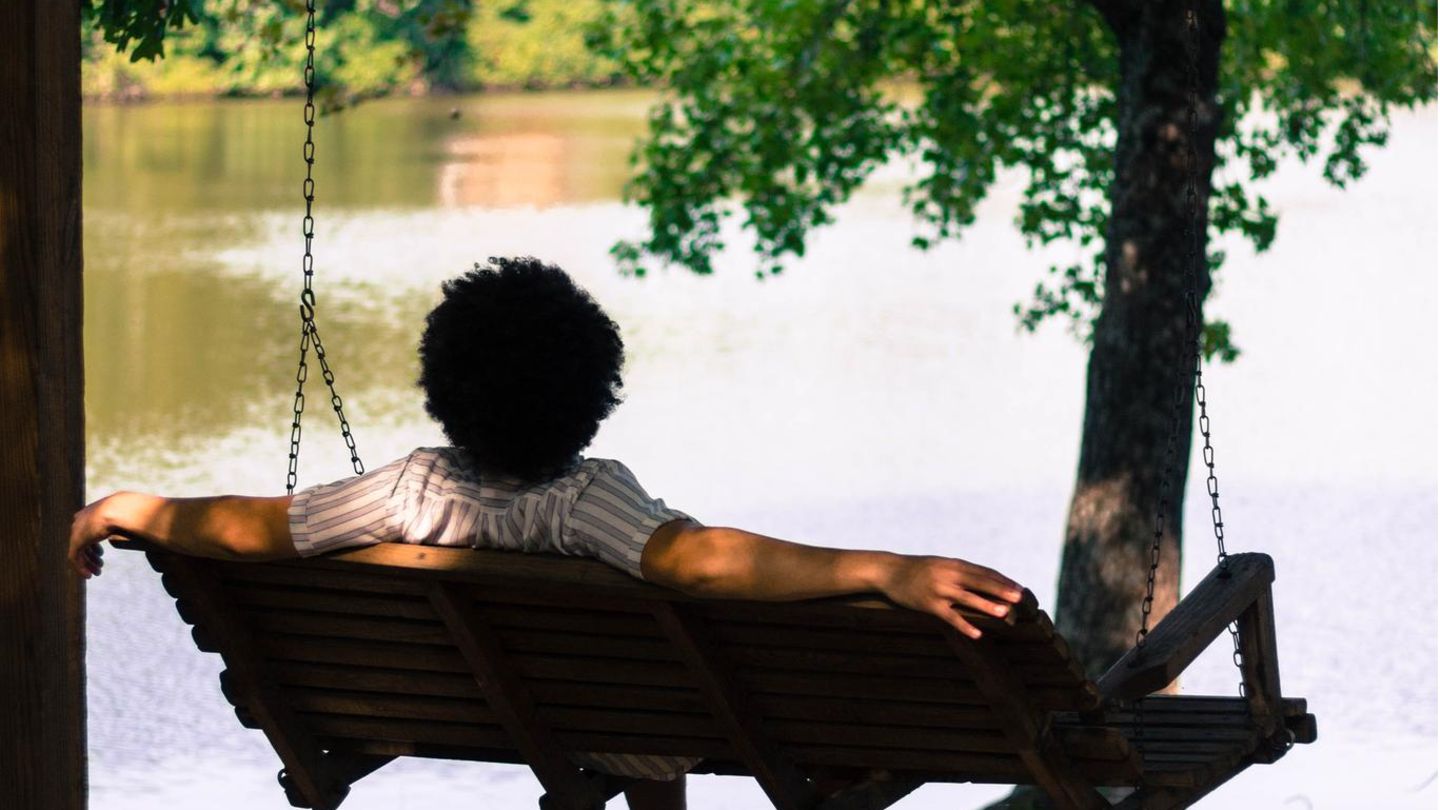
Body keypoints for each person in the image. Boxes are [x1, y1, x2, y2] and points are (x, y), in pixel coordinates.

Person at [70, 256, 1025, 810]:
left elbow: (248, 531)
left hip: (511, 711)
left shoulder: (406, 492)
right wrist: (882, 567)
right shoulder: (591, 503)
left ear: (445, 388)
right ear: (591, 397)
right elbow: (703, 561)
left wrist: (132, 507)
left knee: (609, 691)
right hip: (626, 721)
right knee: (647, 694)